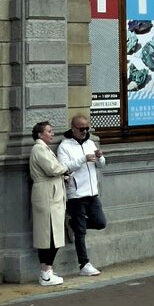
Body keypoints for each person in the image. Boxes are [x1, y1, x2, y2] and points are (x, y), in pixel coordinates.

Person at [57, 115, 106, 277]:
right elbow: (64, 167)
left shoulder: (91, 143)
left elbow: (102, 165)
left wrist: (99, 157)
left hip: (92, 192)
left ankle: (72, 224)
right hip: (76, 193)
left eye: (87, 128)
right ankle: (84, 263)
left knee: (100, 222)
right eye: (81, 129)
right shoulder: (64, 146)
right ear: (73, 128)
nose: (85, 131)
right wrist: (83, 159)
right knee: (81, 232)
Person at [29, 121, 69, 286]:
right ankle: (45, 272)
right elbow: (53, 169)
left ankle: (47, 271)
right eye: (49, 131)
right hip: (47, 195)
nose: (52, 134)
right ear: (40, 134)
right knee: (50, 233)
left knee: (50, 233)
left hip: (49, 193)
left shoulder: (42, 149)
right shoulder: (39, 149)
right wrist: (65, 167)